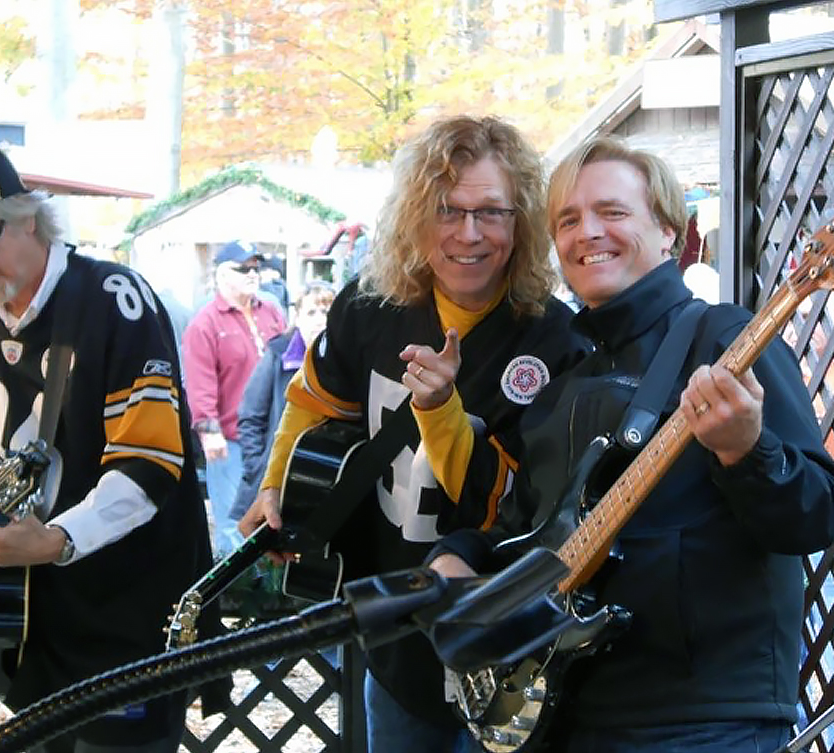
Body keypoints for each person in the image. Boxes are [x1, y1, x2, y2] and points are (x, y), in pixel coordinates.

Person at [428, 136, 834, 752]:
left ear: (669, 231)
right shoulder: (564, 387)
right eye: (568, 219)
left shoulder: (727, 339)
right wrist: (458, 558)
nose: (587, 231)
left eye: (612, 212)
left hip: (707, 725)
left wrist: (746, 449)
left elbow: (816, 516)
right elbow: (524, 530)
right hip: (568, 722)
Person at [238, 115, 590, 753]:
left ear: (523, 222)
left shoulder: (555, 342)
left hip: (507, 647)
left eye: (492, 212)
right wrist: (273, 487)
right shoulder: (367, 308)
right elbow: (311, 404)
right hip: (396, 636)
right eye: (447, 211)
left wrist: (439, 409)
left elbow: (523, 505)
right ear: (415, 216)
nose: (469, 234)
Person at [0, 141, 229, 752]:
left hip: (128, 605)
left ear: (28, 216)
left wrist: (57, 539)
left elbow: (149, 462)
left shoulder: (115, 300)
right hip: (18, 612)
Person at [182, 240, 286, 557]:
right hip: (230, 438)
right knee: (233, 518)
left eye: (255, 267)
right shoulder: (205, 322)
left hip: (271, 433)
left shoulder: (271, 312)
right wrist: (209, 432)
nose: (252, 274)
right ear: (223, 274)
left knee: (270, 514)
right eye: (243, 268)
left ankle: (268, 586)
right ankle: (239, 589)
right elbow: (199, 381)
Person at [233, 280, 335, 520]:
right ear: (297, 317)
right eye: (311, 312)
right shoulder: (278, 354)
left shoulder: (342, 360)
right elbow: (251, 416)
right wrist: (257, 466)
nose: (319, 319)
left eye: (326, 312)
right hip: (275, 476)